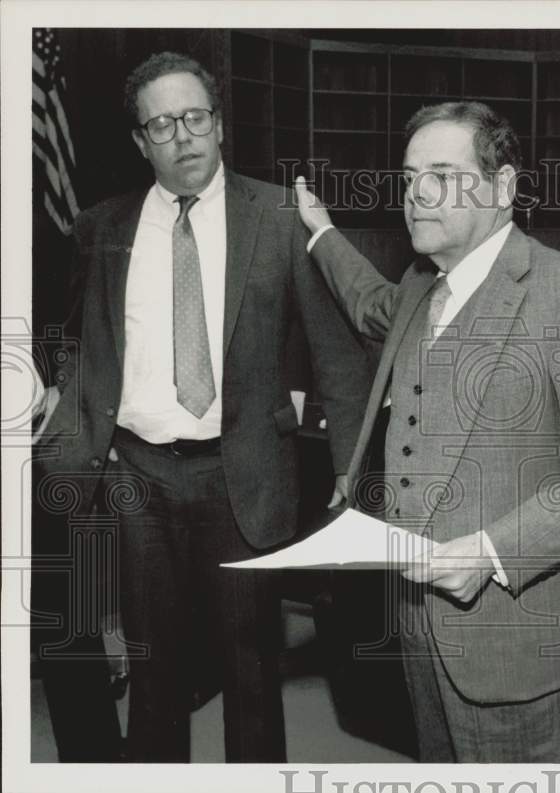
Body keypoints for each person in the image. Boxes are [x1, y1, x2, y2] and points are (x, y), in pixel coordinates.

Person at [32, 51, 371, 762]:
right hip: (137, 477)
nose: (181, 135)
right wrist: (67, 418)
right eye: (162, 124)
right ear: (140, 141)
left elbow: (337, 357)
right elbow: (77, 342)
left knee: (251, 672)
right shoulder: (100, 227)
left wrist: (349, 472)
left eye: (194, 117)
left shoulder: (279, 218)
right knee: (156, 674)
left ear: (218, 124)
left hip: (241, 474)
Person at [295, 101, 560, 762]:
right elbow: (366, 301)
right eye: (408, 177)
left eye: (443, 175)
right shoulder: (418, 287)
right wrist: (319, 232)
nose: (417, 193)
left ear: (504, 187)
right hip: (415, 621)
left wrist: (489, 551)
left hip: (515, 629)